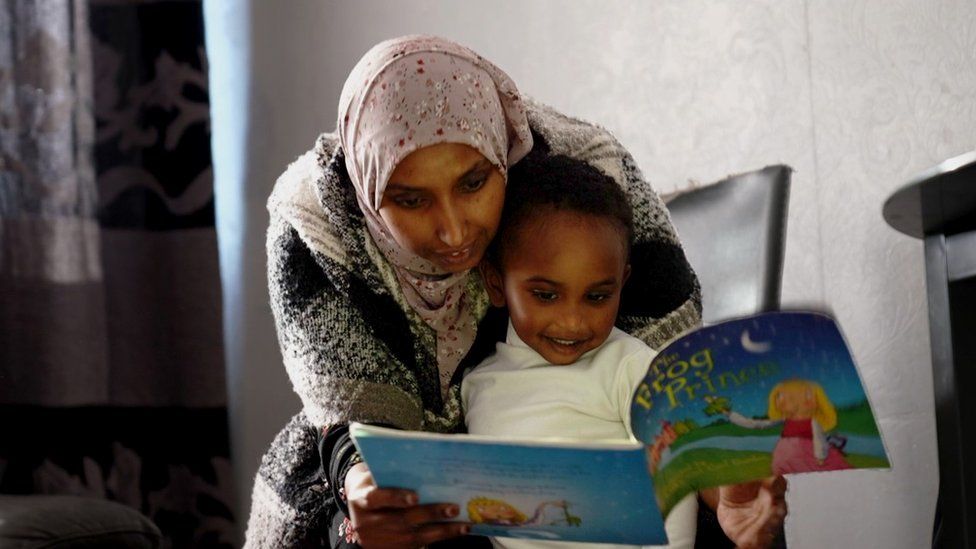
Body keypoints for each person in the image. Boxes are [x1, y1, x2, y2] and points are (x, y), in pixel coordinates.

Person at [244, 34, 783, 549]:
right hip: (412, 455)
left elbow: (680, 407)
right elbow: (348, 420)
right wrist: (361, 484)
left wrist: (726, 490)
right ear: (367, 196)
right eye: (411, 200)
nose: (454, 233)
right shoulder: (318, 234)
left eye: (474, 184)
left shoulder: (564, 181)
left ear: (504, 160)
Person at [461, 154, 698, 549]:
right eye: (545, 295)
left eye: (597, 296)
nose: (572, 322)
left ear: (622, 283)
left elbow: (676, 472)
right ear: (497, 283)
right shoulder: (475, 385)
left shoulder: (632, 368)